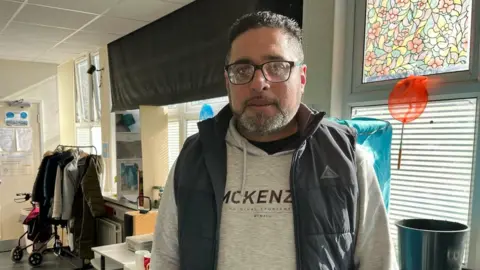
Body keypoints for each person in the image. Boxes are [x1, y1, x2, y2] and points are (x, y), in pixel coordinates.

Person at [151, 11, 398, 270]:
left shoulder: (347, 161)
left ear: (301, 78)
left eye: (277, 66)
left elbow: (378, 263)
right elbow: (165, 260)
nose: (259, 82)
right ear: (228, 82)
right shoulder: (192, 160)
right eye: (243, 69)